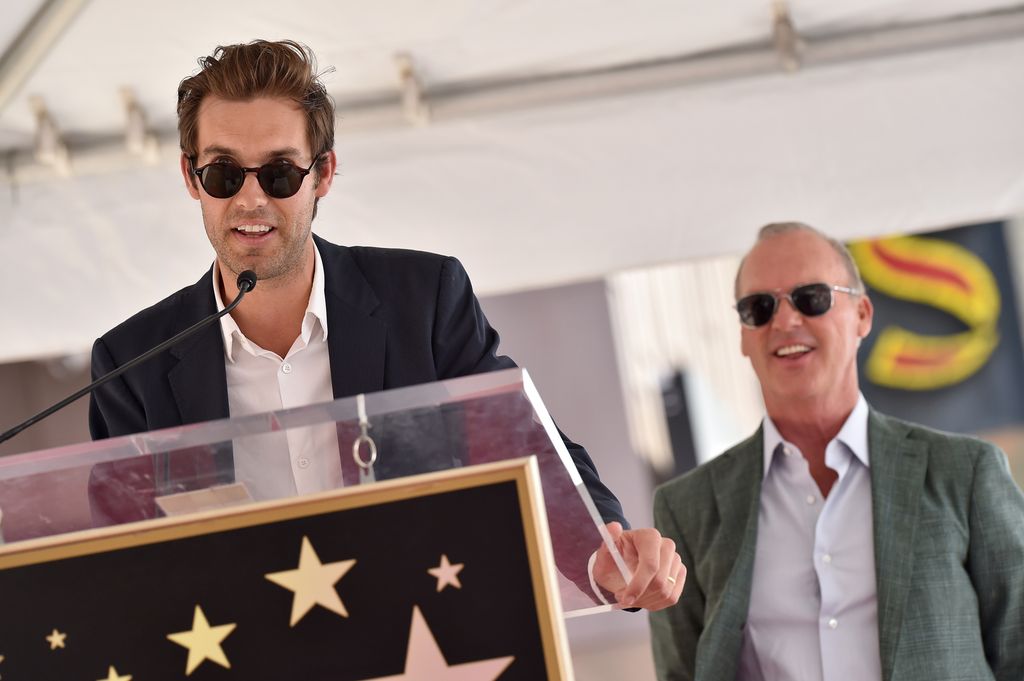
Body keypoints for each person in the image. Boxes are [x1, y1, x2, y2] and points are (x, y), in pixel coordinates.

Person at [87, 39, 683, 611]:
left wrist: (603, 554)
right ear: (192, 179)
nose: (250, 200)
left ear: (322, 175)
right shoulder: (131, 365)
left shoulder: (421, 301)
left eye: (279, 174)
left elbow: (526, 446)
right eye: (223, 174)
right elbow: (124, 568)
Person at [650, 222, 1024, 679]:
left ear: (863, 314)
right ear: (744, 335)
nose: (785, 321)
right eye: (759, 307)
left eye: (812, 297)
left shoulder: (965, 473)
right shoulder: (688, 509)